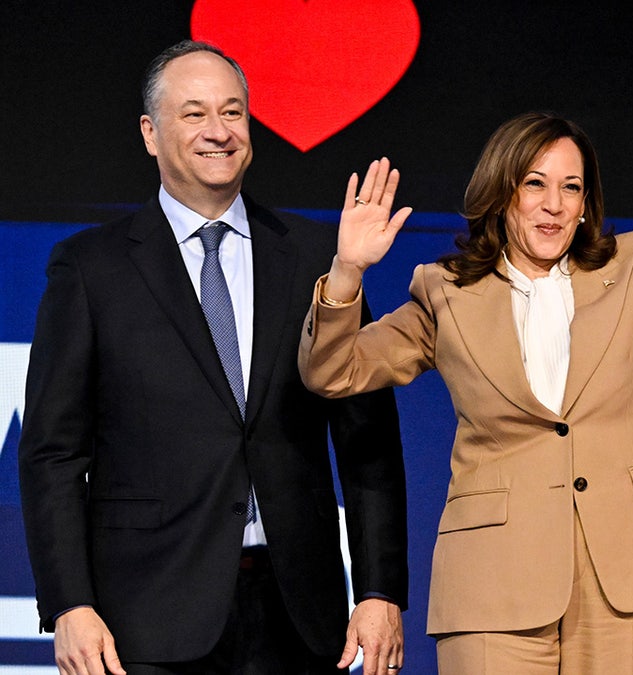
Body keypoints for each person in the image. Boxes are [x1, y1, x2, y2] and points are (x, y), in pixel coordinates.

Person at [296, 37, 633, 672]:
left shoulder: (632, 269)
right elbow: (331, 371)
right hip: (493, 585)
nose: (554, 205)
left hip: (620, 580)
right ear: (503, 192)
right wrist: (345, 271)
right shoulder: (446, 292)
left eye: (572, 188)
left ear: (587, 205)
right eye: (536, 184)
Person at [18, 41, 408, 675]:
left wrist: (379, 589)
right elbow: (52, 453)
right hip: (143, 620)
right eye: (194, 114)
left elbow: (369, 440)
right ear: (150, 133)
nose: (219, 132)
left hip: (299, 614)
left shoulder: (318, 257)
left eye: (233, 112)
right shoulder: (92, 268)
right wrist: (69, 604)